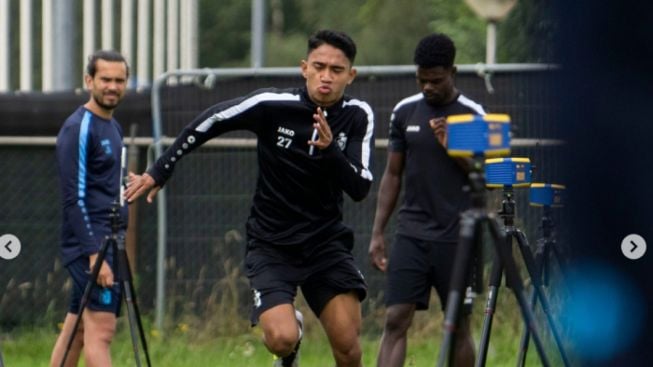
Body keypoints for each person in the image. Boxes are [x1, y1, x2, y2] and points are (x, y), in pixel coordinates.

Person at [125, 30, 374, 367]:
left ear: (351, 75)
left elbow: (360, 188)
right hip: (272, 242)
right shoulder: (272, 106)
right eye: (319, 66)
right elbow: (212, 119)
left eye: (337, 70)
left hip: (325, 244)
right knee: (281, 338)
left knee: (348, 346)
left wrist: (331, 152)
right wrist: (160, 169)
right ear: (304, 68)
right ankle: (290, 349)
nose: (326, 76)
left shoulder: (358, 115)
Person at [368, 33, 485, 367]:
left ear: (453, 72)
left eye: (436, 80)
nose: (428, 88)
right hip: (412, 232)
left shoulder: (472, 114)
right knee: (394, 319)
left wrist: (456, 149)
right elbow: (392, 175)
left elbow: (488, 179)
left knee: (459, 325)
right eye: (422, 80)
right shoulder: (405, 112)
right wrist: (378, 232)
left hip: (458, 236)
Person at [50, 50, 129, 367]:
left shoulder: (114, 126)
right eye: (105, 79)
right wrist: (95, 253)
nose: (112, 86)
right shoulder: (79, 128)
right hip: (92, 248)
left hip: (110, 241)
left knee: (78, 330)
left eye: (119, 80)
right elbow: (74, 197)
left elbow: (106, 184)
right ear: (89, 81)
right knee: (102, 332)